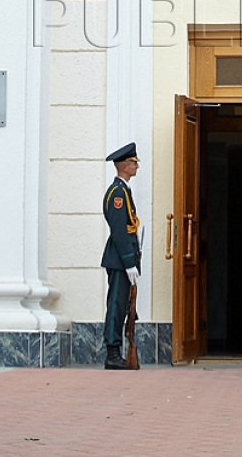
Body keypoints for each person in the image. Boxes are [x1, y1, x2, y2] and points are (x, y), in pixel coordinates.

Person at [102, 142, 141, 370]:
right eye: (134, 163)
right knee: (116, 306)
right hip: (118, 260)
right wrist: (128, 262)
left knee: (122, 305)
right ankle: (112, 353)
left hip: (123, 258)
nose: (137, 167)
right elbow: (119, 230)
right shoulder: (118, 193)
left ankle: (115, 351)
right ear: (125, 166)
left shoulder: (123, 190)